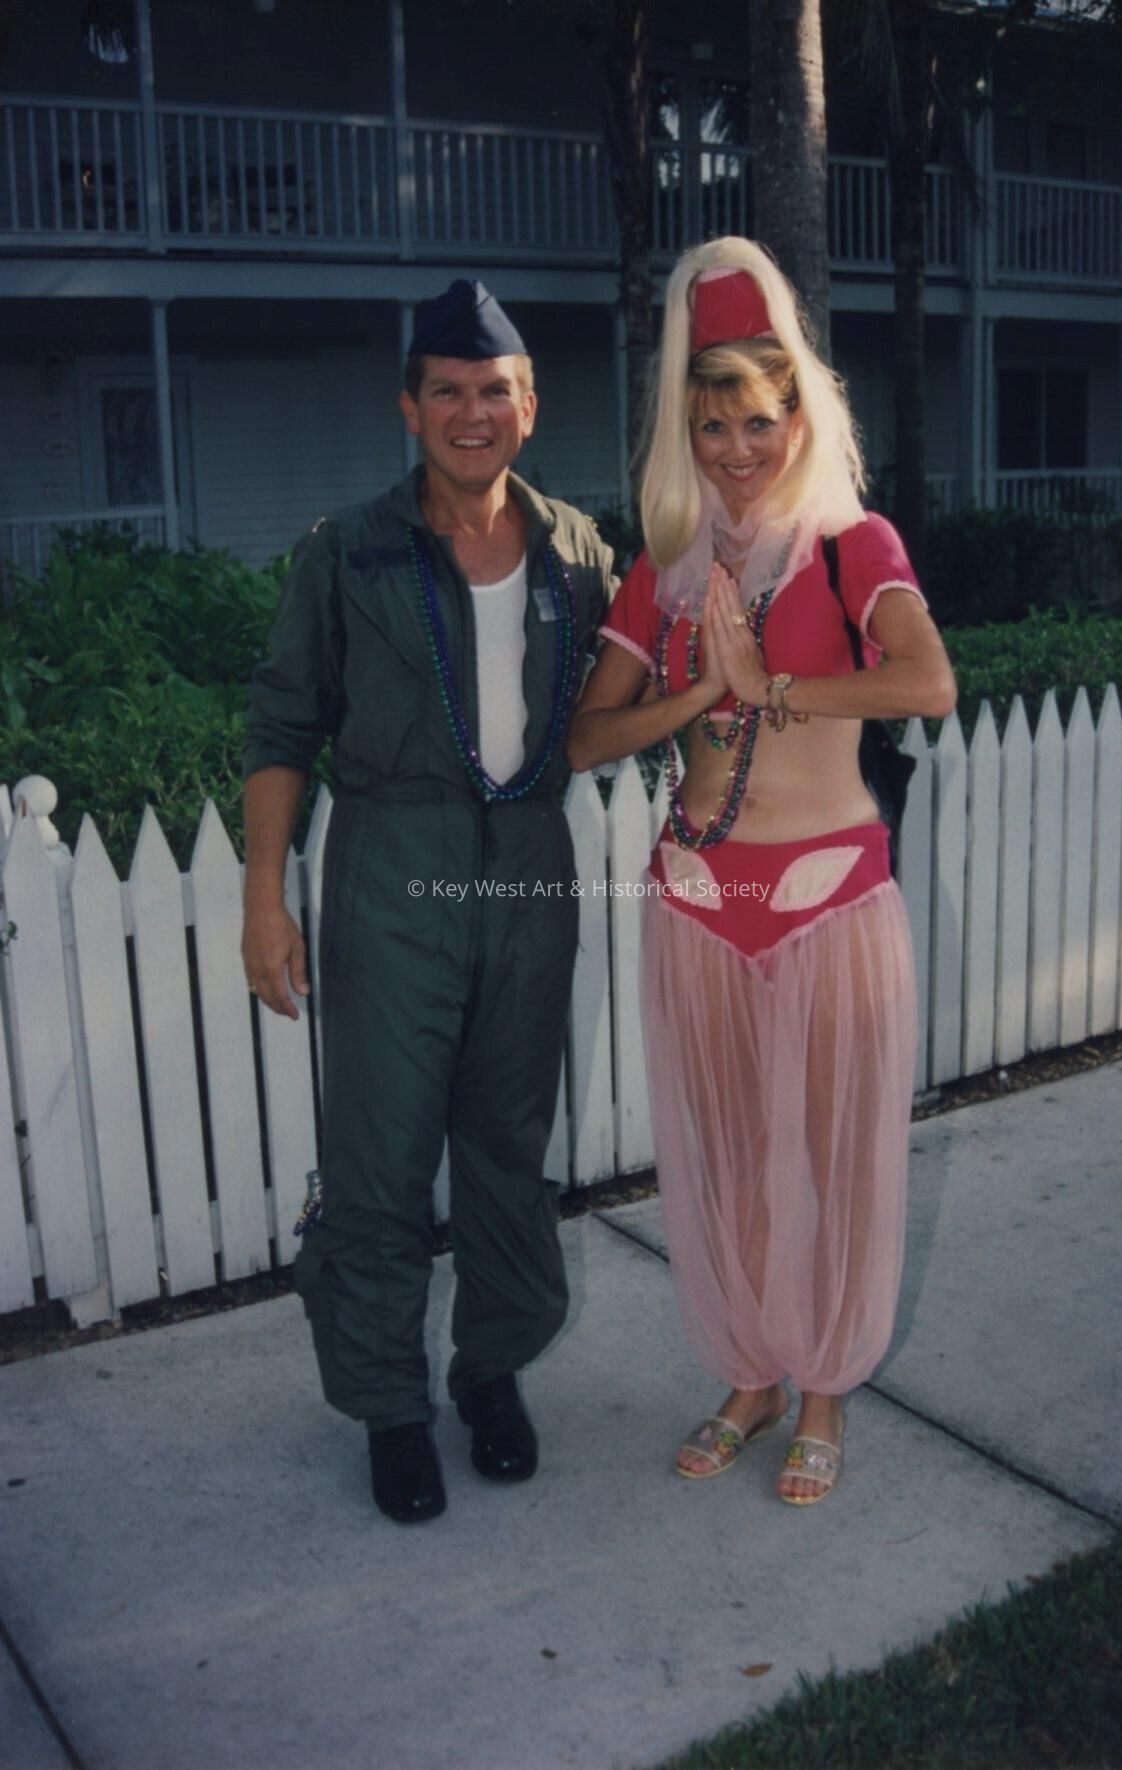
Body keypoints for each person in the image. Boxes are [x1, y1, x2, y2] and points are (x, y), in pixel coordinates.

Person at [567, 238, 956, 1504]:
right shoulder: (665, 569)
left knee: (833, 1160)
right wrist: (697, 696)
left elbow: (927, 683)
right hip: (696, 900)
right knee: (727, 1159)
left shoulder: (851, 545)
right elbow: (585, 739)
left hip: (826, 897)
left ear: (799, 415)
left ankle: (825, 1386)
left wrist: (771, 685)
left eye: (756, 419)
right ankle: (750, 1375)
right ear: (682, 432)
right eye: (709, 423)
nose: (735, 448)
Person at [243, 279, 614, 1524]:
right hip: (394, 869)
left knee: (508, 1143)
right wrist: (263, 901)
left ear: (529, 406)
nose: (472, 413)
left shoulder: (579, 552)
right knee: (381, 1154)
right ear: (410, 408)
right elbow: (282, 728)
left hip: (530, 868)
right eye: (447, 392)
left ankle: (491, 1372)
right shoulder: (347, 552)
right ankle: (389, 1408)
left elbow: (615, 709)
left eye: (494, 392)